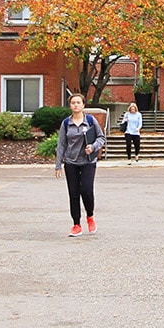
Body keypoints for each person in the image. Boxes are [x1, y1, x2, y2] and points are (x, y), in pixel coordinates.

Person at [53, 94, 106, 236]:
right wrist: (58, 165)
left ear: (83, 105)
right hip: (71, 162)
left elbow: (101, 138)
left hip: (88, 161)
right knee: (74, 193)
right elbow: (61, 144)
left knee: (86, 190)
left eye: (78, 102)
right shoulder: (66, 123)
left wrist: (93, 147)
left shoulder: (90, 120)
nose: (76, 105)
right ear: (70, 106)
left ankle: (90, 216)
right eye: (73, 103)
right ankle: (76, 224)